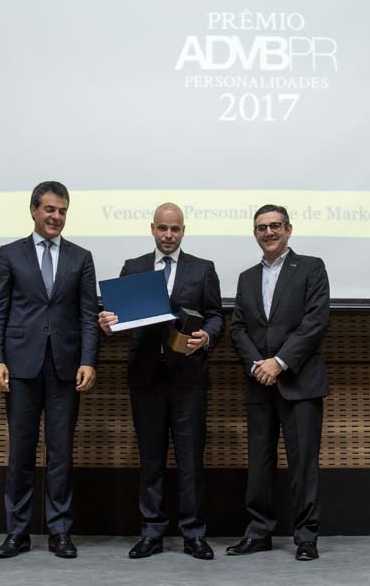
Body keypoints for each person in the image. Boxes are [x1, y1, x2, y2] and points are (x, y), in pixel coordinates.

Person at [98, 202, 223, 560]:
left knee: (190, 460)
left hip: (189, 379)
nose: (169, 235)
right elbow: (118, 318)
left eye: (175, 229)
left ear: (183, 231)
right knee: (150, 458)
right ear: (152, 229)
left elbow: (216, 315)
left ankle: (193, 533)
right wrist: (106, 324)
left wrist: (207, 336)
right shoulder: (133, 267)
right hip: (146, 377)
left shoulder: (203, 269)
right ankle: (151, 532)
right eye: (163, 228)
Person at [0, 181, 99, 559]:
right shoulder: (9, 254)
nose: (56, 217)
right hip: (20, 366)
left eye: (62, 211)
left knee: (60, 453)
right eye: (50, 209)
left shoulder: (81, 258)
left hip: (65, 368)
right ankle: (17, 532)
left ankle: (59, 531)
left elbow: (88, 315)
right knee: (21, 452)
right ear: (34, 210)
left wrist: (88, 360)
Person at [227, 204, 330, 561]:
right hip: (259, 382)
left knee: (303, 464)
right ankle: (258, 533)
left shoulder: (312, 267)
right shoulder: (246, 277)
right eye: (261, 227)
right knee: (259, 464)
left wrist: (280, 362)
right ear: (255, 233)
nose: (268, 232)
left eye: (275, 226)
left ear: (288, 229)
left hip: (300, 382)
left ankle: (306, 538)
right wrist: (259, 365)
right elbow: (238, 327)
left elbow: (316, 321)